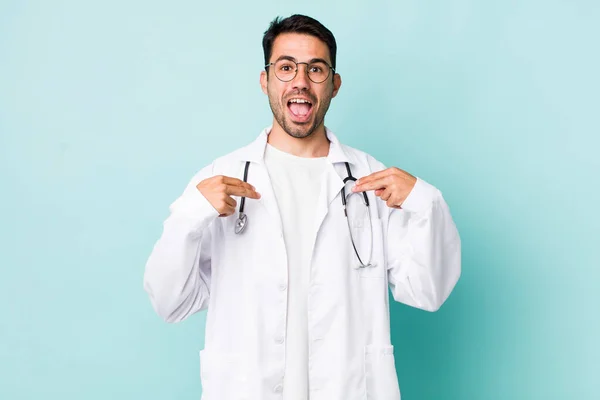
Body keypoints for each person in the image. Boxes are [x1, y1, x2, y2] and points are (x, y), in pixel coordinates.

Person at [143, 14, 461, 400]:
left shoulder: (372, 180)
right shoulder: (219, 179)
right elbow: (169, 303)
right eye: (286, 67)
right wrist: (190, 214)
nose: (300, 81)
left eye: (316, 69)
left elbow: (427, 292)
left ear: (334, 84)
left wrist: (426, 202)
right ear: (265, 81)